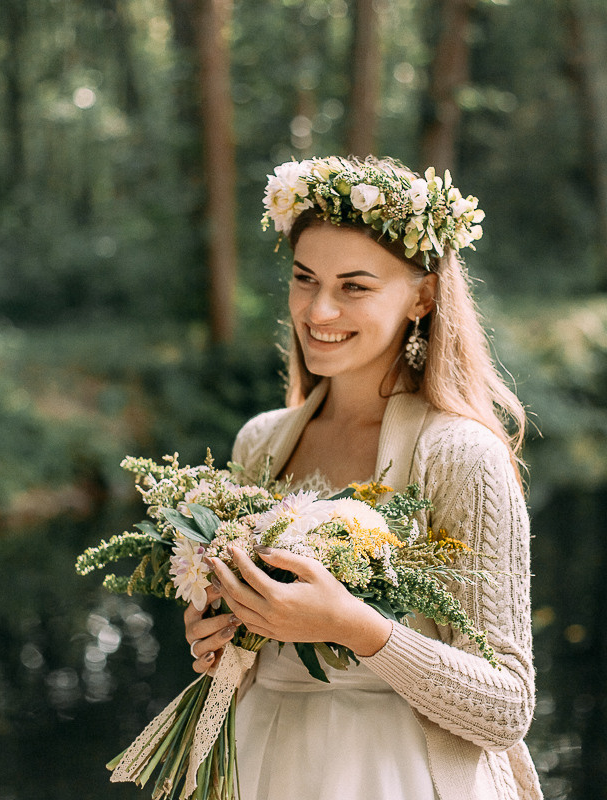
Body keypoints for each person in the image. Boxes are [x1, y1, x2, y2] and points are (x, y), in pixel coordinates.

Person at [183, 156, 541, 800]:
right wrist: (220, 633)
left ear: (422, 297)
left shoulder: (463, 456)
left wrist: (357, 627)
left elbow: (506, 709)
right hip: (261, 764)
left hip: (399, 776)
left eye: (354, 287)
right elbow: (251, 659)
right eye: (304, 279)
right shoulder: (259, 443)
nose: (318, 309)